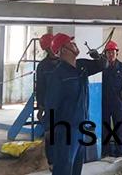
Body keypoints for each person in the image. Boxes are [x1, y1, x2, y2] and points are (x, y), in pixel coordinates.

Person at [46, 33, 105, 175]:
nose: (75, 44)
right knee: (64, 168)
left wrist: (98, 57)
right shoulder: (57, 75)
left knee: (76, 168)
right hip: (65, 131)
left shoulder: (81, 66)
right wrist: (50, 146)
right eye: (71, 43)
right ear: (63, 50)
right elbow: (51, 107)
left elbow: (103, 65)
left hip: (81, 127)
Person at [101, 40, 122, 157]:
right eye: (108, 52)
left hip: (118, 102)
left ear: (117, 53)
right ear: (105, 53)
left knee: (119, 128)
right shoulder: (102, 67)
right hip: (104, 102)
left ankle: (120, 152)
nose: (111, 55)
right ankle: (105, 152)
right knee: (105, 128)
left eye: (113, 52)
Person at [35, 33, 58, 169]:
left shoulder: (65, 62)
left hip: (64, 105)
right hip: (50, 106)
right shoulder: (43, 66)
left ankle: (62, 159)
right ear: (47, 48)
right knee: (50, 134)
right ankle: (52, 161)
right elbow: (40, 88)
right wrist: (40, 106)